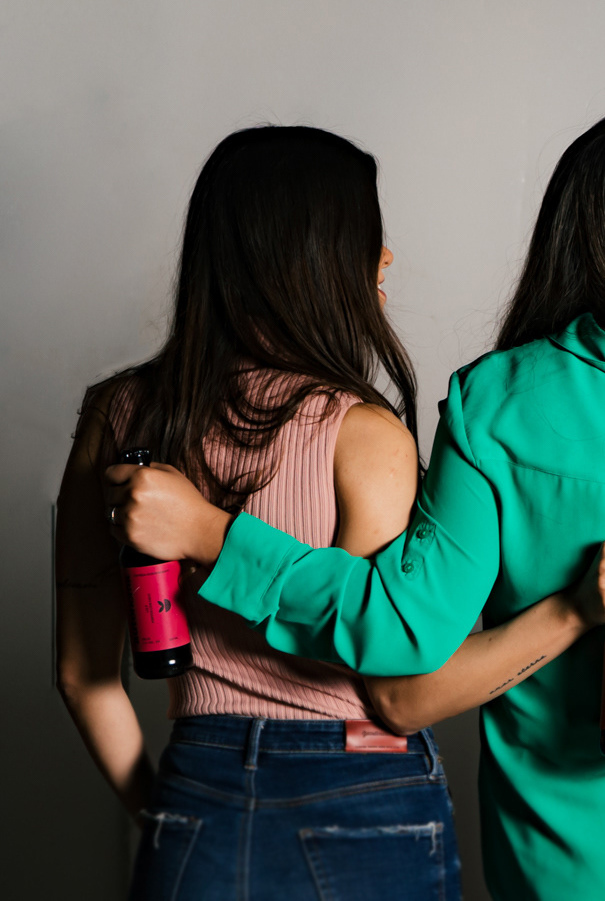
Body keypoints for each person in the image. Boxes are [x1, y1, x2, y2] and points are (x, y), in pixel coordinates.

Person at [106, 104, 605, 900]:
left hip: (565, 859)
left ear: (570, 234)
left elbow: (404, 634)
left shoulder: (494, 400)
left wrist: (218, 537)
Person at [56, 126, 465, 899]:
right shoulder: (365, 435)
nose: (386, 259)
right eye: (368, 238)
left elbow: (83, 677)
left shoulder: (117, 415)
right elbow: (383, 666)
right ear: (322, 259)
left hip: (199, 781)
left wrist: (170, 815)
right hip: (365, 784)